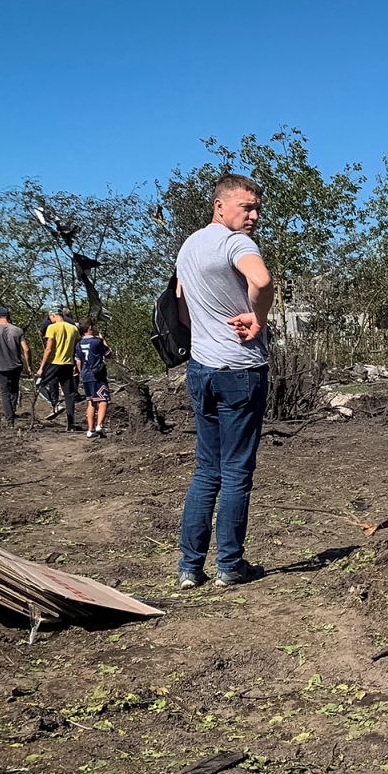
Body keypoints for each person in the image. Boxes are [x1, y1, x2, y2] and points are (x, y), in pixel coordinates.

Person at [175, 173, 274, 589]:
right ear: (220, 206)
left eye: (256, 209)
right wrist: (259, 318)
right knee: (235, 471)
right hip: (239, 370)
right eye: (245, 207)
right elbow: (263, 280)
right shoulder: (237, 243)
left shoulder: (189, 246)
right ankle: (230, 565)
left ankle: (189, 568)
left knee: (206, 470)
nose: (252, 216)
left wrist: (206, 329)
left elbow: (180, 306)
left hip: (201, 369)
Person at [36, 307, 80, 430]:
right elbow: (76, 347)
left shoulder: (52, 328)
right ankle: (70, 424)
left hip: (54, 362)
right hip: (68, 363)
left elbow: (49, 349)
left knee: (39, 384)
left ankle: (54, 404)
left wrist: (41, 367)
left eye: (50, 317)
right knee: (69, 394)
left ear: (53, 315)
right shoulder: (73, 328)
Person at [0, 306, 29, 426]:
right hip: (16, 365)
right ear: (8, 316)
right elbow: (26, 349)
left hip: (0, 366)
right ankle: (12, 411)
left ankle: (10, 419)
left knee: (4, 392)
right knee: (14, 389)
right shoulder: (18, 330)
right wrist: (27, 366)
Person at [74, 320, 110, 439]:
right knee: (103, 399)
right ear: (90, 327)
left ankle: (90, 429)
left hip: (85, 375)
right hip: (97, 375)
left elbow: (78, 361)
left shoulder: (78, 344)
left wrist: (81, 374)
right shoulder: (97, 341)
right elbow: (108, 353)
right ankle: (99, 425)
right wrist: (103, 339)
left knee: (91, 401)